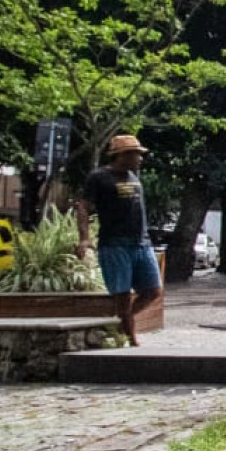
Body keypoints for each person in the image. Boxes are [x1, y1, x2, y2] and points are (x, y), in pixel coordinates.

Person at [75, 134, 162, 346]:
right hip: (115, 244)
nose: (140, 159)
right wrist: (84, 238)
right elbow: (83, 207)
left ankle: (124, 320)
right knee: (122, 295)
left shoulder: (134, 176)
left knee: (153, 290)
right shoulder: (99, 177)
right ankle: (130, 337)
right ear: (122, 155)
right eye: (136, 154)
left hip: (141, 242)